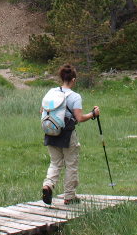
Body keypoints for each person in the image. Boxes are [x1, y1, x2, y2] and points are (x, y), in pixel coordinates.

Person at [40, 64, 100, 206]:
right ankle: (69, 196)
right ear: (73, 79)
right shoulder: (75, 97)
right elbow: (79, 118)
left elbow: (42, 110)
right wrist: (93, 114)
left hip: (51, 131)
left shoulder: (51, 92)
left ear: (62, 78)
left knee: (55, 163)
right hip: (67, 134)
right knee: (71, 164)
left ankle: (48, 185)